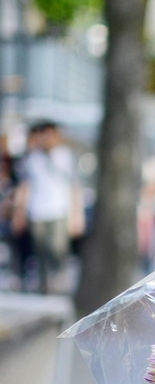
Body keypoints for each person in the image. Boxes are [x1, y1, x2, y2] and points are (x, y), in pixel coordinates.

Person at [12, 121, 82, 294]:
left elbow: (74, 186)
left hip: (58, 211)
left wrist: (76, 215)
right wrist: (19, 212)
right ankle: (44, 287)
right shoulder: (32, 159)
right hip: (37, 211)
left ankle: (59, 282)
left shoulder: (65, 156)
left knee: (58, 249)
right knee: (40, 251)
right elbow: (25, 187)